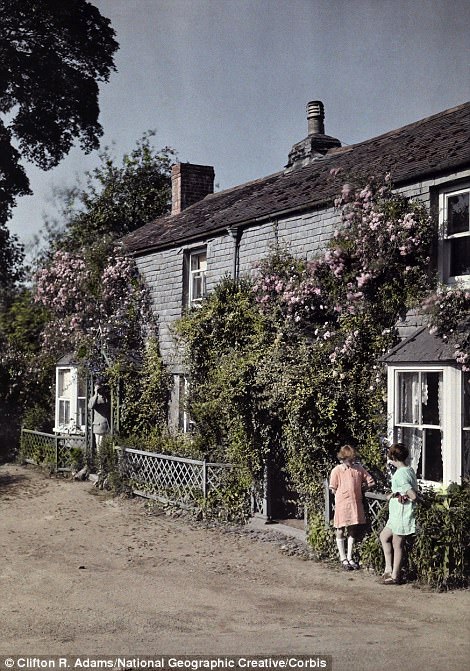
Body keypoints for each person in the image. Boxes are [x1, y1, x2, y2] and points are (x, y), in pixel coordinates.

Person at [329, 444, 375, 570]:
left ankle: (349, 557)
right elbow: (333, 488)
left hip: (355, 503)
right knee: (340, 528)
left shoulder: (358, 469)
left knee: (352, 529)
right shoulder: (337, 470)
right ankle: (342, 557)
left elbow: (371, 481)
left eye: (353, 459)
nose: (352, 462)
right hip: (342, 504)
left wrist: (363, 488)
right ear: (343, 458)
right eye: (350, 459)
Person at [379, 442, 418, 585]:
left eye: (390, 457)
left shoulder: (401, 474)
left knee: (397, 543)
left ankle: (395, 576)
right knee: (384, 536)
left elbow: (413, 495)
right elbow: (404, 489)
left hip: (402, 512)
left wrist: (404, 496)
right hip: (395, 513)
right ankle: (388, 568)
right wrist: (394, 494)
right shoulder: (408, 470)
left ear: (394, 458)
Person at [88, 381, 110, 452]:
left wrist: (101, 394)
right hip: (97, 425)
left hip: (105, 425)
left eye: (100, 389)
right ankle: (100, 461)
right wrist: (96, 394)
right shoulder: (93, 398)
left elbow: (107, 404)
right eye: (97, 388)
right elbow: (91, 406)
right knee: (98, 445)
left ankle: (102, 461)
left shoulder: (105, 398)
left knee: (102, 445)